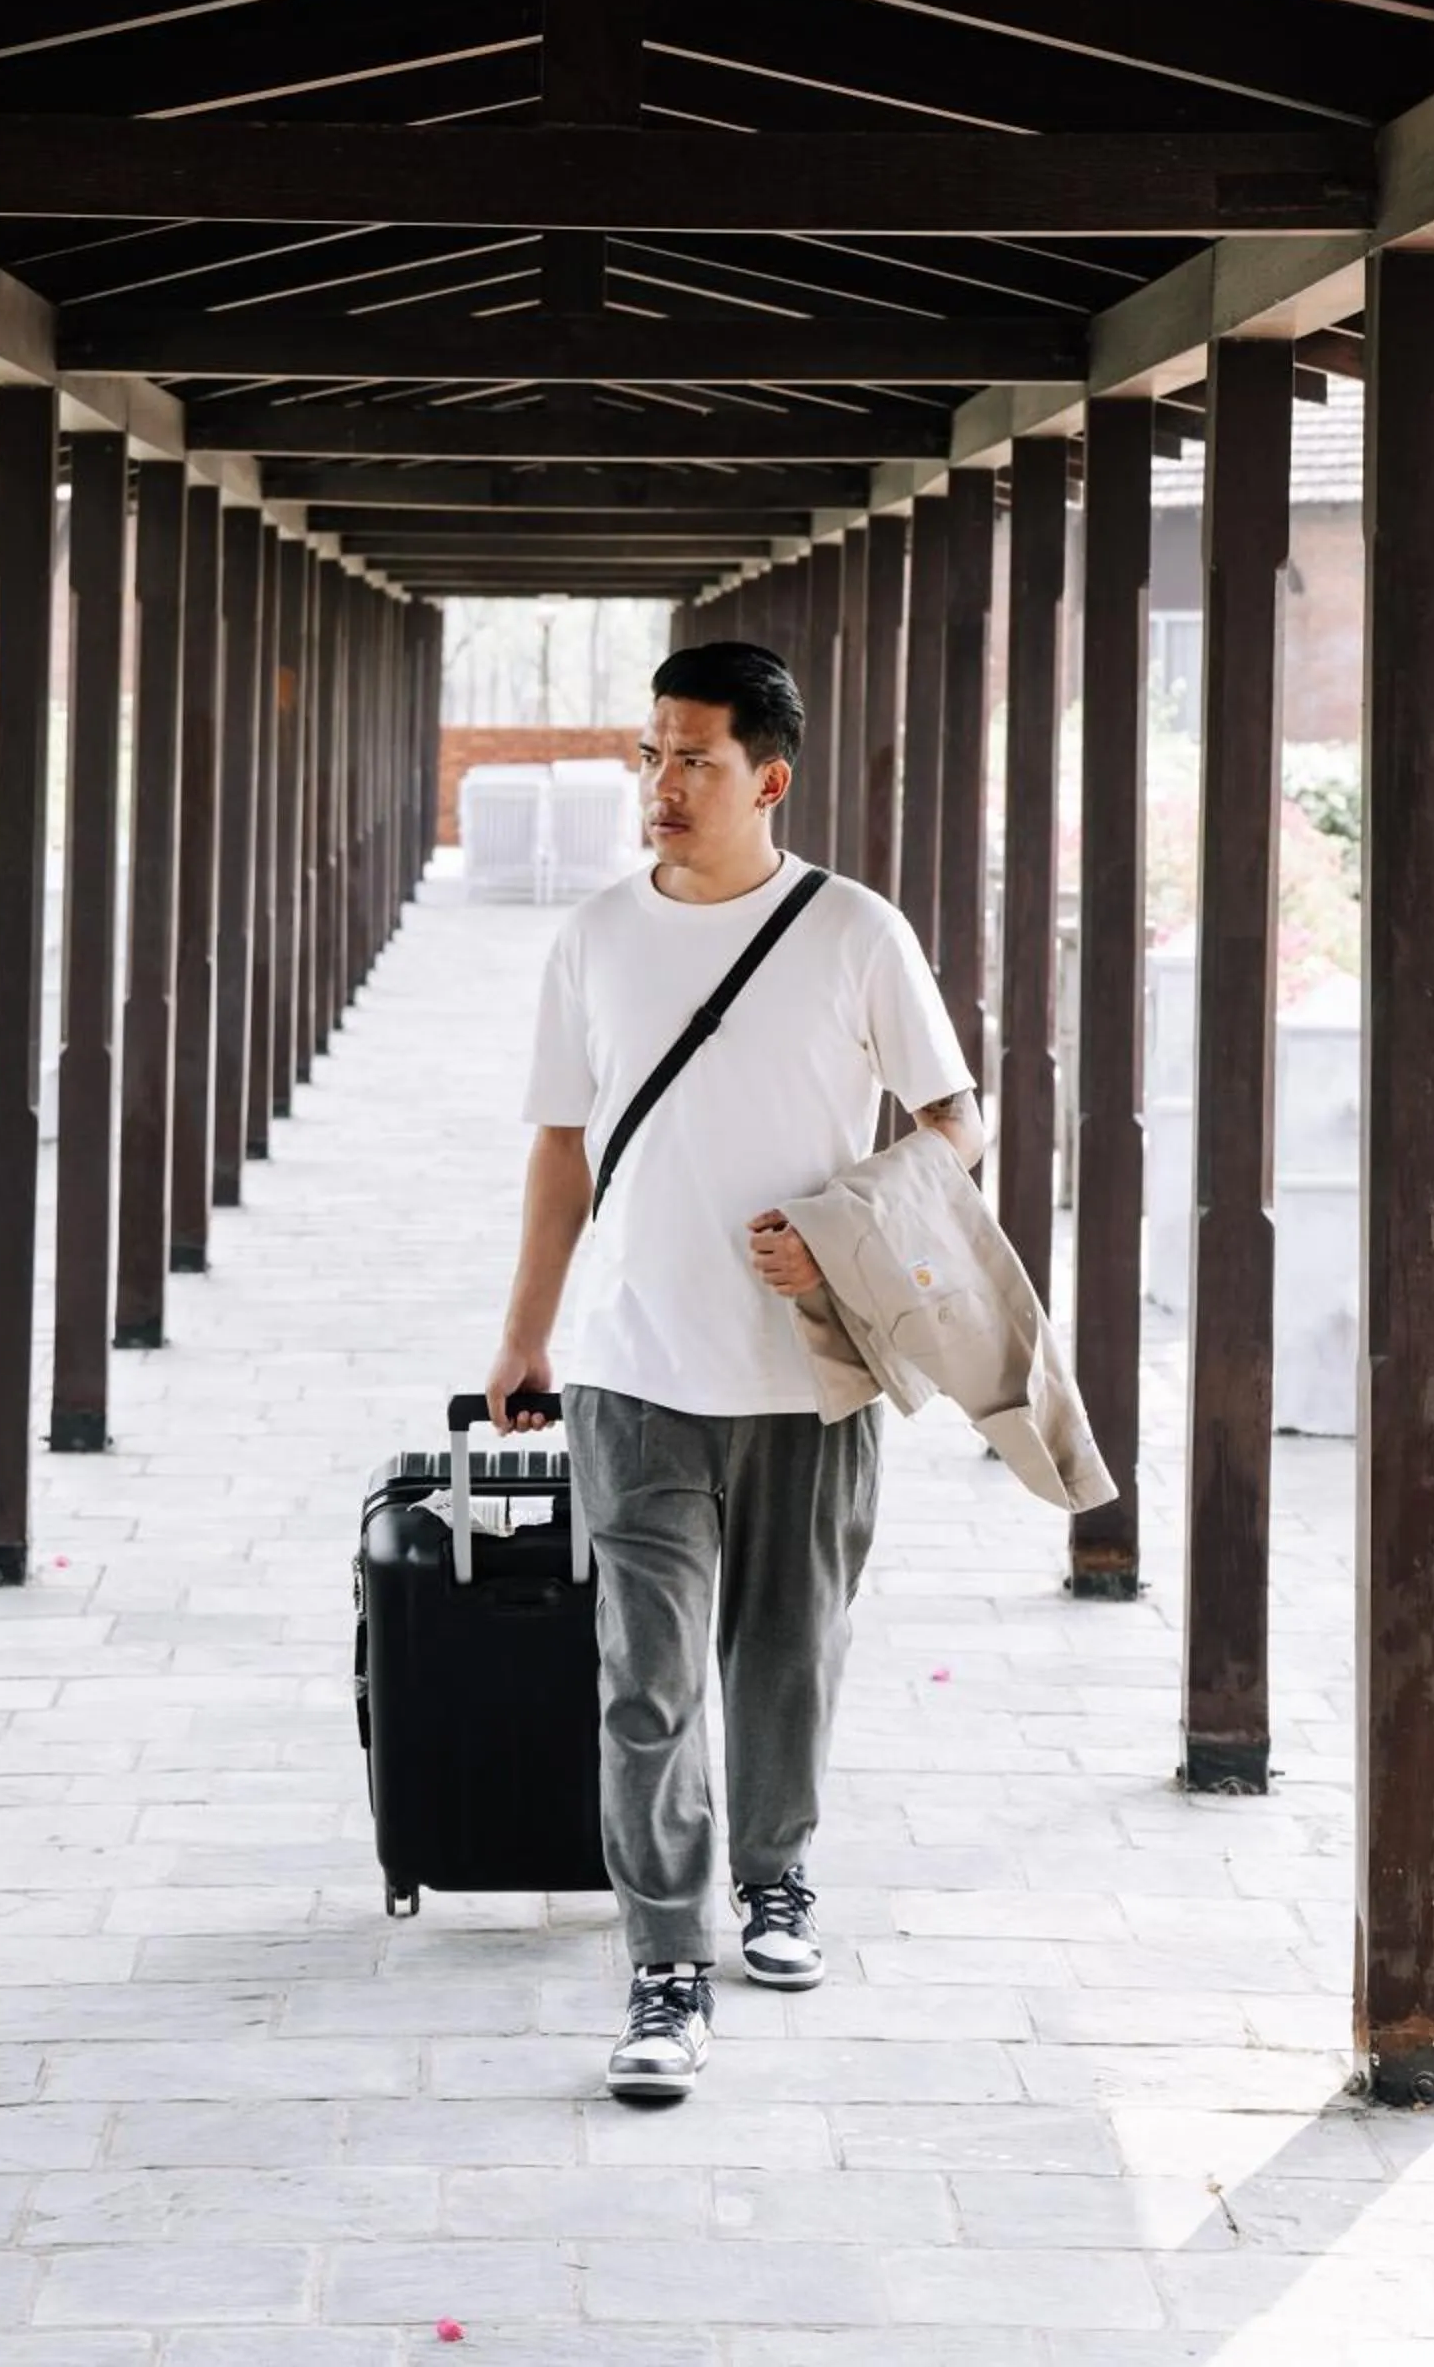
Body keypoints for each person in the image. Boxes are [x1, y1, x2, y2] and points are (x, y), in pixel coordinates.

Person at [487, 640, 983, 2101]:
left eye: (693, 759)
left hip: (811, 1374)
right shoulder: (593, 938)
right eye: (651, 754)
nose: (662, 783)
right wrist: (525, 1332)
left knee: (786, 1658)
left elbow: (957, 1124)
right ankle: (663, 1962)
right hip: (633, 1372)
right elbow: (562, 1149)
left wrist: (842, 1232)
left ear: (768, 779)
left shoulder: (855, 932)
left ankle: (775, 1873)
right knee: (645, 1684)